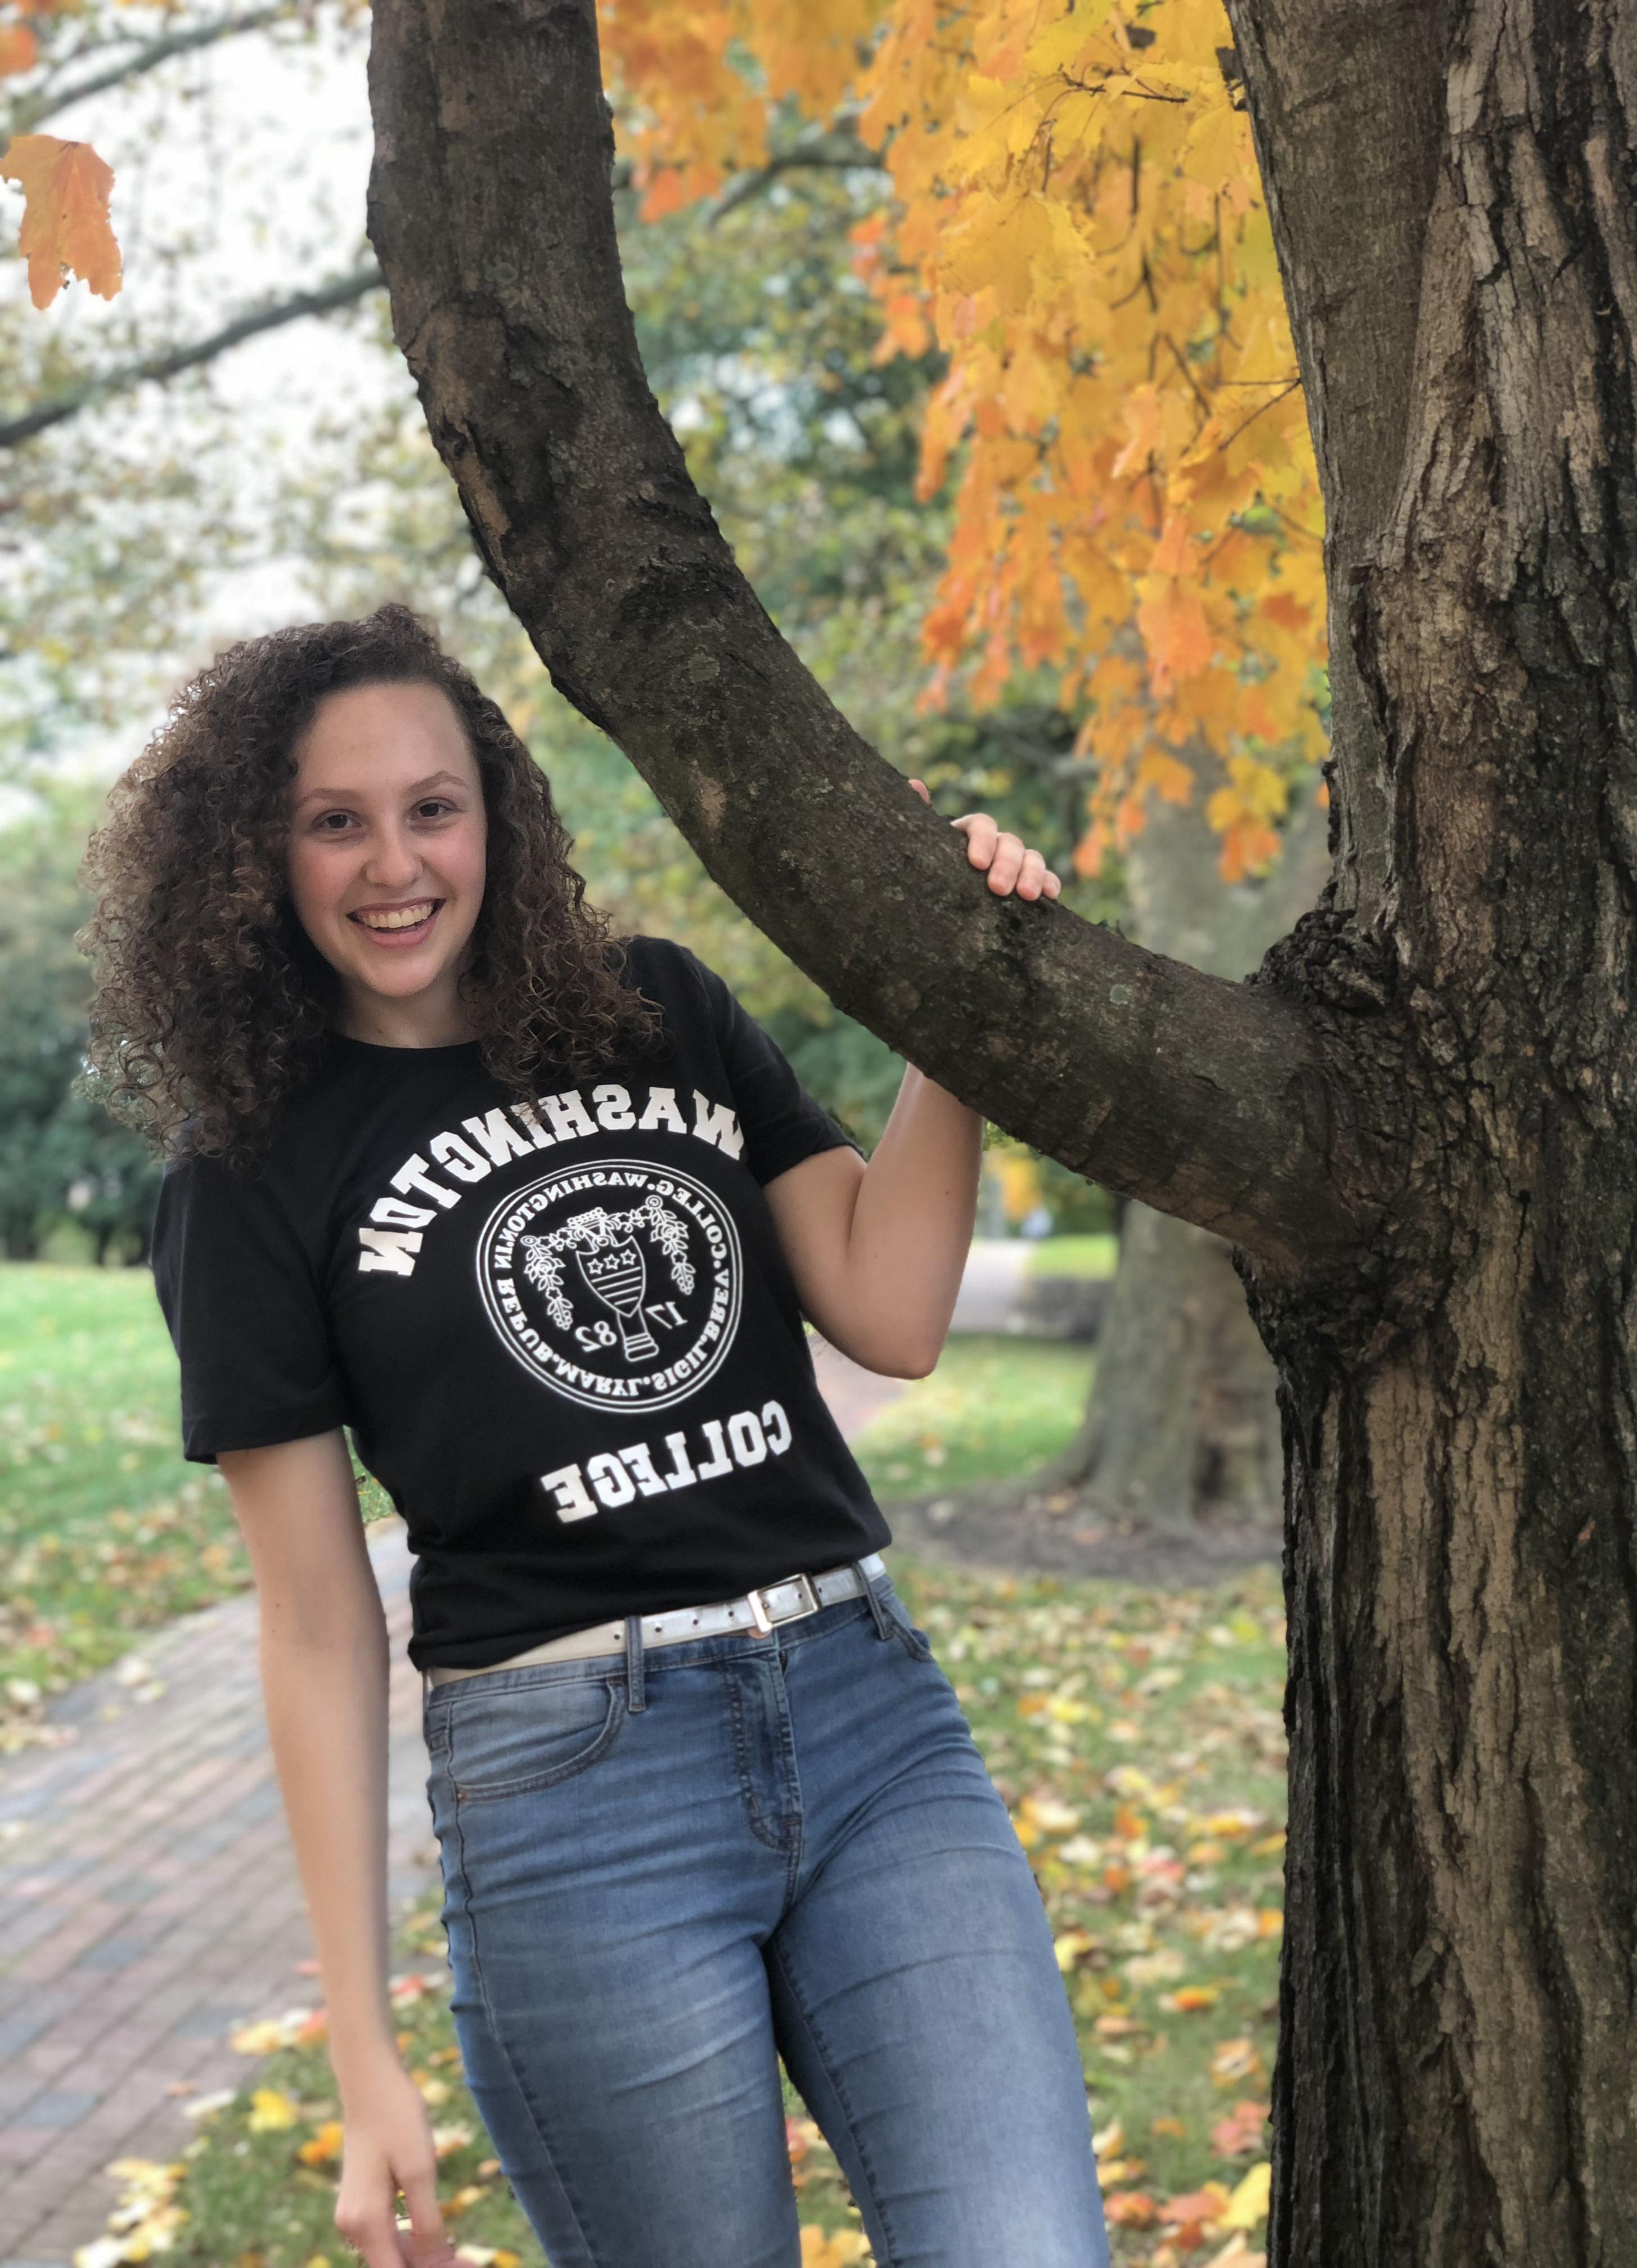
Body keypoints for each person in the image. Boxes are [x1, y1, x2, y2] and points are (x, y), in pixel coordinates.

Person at [82, 603, 1112, 2268]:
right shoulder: (248, 1176)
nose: (392, 863)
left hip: (866, 1721)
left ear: (495, 813)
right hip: (578, 1796)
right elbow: (318, 1623)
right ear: (254, 859)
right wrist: (363, 2053)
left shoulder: (657, 1007)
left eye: (431, 807)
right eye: (332, 822)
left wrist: (952, 992)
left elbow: (891, 1307)